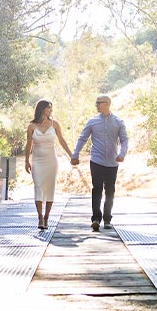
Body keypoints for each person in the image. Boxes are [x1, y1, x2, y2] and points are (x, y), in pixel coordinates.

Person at [71, 94, 129, 231]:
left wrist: (122, 154)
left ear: (107, 104)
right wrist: (75, 153)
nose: (96, 105)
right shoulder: (92, 121)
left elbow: (124, 140)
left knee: (110, 190)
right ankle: (96, 218)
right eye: (96, 103)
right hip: (96, 160)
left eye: (99, 103)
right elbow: (82, 138)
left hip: (112, 162)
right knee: (97, 189)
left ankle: (107, 219)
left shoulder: (118, 122)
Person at [24, 99, 73, 229]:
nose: (50, 110)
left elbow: (62, 141)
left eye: (51, 108)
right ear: (41, 109)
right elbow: (29, 144)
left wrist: (71, 154)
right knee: (38, 186)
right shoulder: (32, 126)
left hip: (51, 161)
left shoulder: (54, 124)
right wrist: (26, 161)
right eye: (48, 108)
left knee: (50, 188)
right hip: (37, 161)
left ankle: (47, 217)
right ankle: (40, 217)